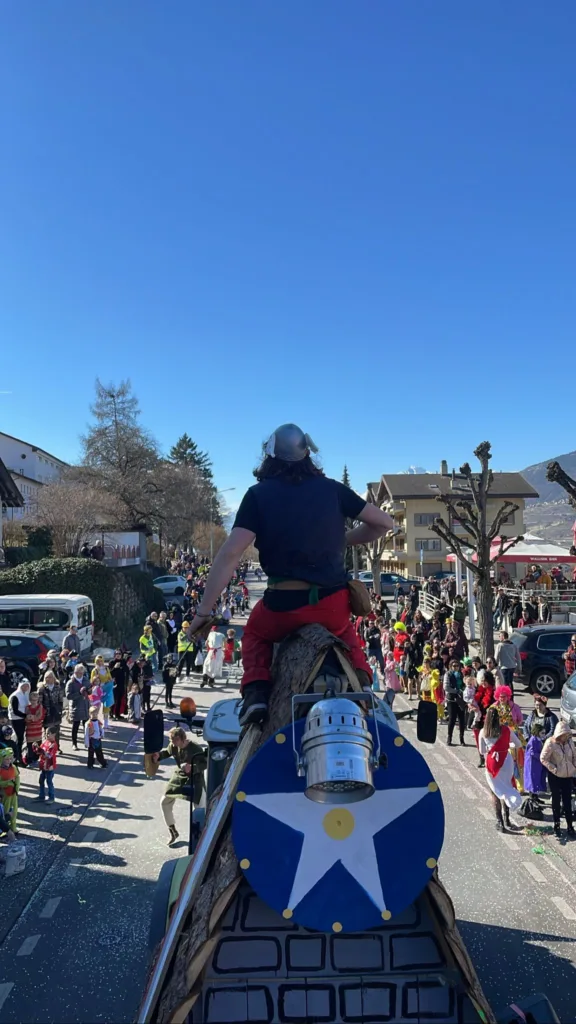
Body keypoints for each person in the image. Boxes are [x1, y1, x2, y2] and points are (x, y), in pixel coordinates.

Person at [185, 423, 393, 726]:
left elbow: (230, 553)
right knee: (347, 633)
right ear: (308, 454)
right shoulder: (334, 490)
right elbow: (383, 523)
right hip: (332, 606)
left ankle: (256, 693)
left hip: (283, 606)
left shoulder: (257, 496)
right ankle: (361, 684)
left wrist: (204, 611)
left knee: (255, 633)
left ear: (269, 457)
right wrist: (343, 539)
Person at [151, 726, 207, 847]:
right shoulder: (173, 746)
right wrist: (158, 756)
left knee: (200, 808)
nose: (173, 742)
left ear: (182, 739)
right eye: (171, 739)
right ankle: (173, 831)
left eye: (175, 740)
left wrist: (193, 768)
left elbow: (205, 763)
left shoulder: (195, 748)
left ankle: (199, 836)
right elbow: (167, 752)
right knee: (164, 802)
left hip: (195, 778)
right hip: (179, 777)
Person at [480, 705, 523, 832]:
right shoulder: (506, 729)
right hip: (506, 761)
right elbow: (518, 744)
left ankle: (499, 822)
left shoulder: (483, 732)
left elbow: (482, 751)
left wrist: (491, 748)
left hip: (492, 763)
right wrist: (506, 745)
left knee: (495, 791)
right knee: (507, 787)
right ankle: (507, 819)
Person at [540, 721, 576, 837]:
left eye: (567, 735)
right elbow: (543, 758)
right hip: (555, 776)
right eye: (563, 735)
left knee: (567, 801)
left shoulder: (569, 742)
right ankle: (557, 826)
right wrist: (554, 769)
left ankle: (570, 826)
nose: (565, 737)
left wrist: (573, 767)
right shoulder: (550, 743)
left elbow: (574, 755)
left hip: (567, 776)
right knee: (556, 801)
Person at [66, 665, 91, 749]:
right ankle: (74, 743)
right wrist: (79, 693)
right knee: (75, 726)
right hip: (76, 707)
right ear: (74, 672)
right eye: (77, 672)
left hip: (85, 706)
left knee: (86, 726)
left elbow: (90, 690)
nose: (79, 674)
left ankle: (87, 742)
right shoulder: (70, 682)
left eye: (81, 672)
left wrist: (88, 691)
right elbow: (68, 696)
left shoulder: (86, 680)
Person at [523, 723, 547, 803]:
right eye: (542, 733)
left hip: (536, 764)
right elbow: (531, 752)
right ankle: (532, 799)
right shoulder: (533, 740)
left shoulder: (538, 740)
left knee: (536, 780)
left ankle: (535, 797)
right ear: (537, 732)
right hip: (532, 764)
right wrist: (541, 756)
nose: (544, 734)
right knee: (532, 781)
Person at [444, 660, 466, 746]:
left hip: (461, 700)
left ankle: (462, 738)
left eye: (457, 665)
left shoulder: (461, 674)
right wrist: (456, 691)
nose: (455, 667)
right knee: (452, 719)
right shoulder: (448, 674)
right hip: (451, 700)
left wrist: (464, 690)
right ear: (450, 666)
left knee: (462, 720)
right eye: (454, 666)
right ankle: (449, 738)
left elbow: (465, 684)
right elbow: (446, 687)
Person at [8, 679, 30, 764]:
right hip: (16, 719)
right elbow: (15, 711)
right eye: (24, 685)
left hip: (22, 719)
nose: (25, 687)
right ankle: (17, 757)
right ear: (20, 686)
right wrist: (25, 716)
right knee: (19, 738)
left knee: (20, 738)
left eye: (27, 685)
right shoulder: (15, 696)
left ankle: (17, 756)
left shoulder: (25, 694)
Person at [0, 746, 20, 834]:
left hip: (13, 793)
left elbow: (17, 777)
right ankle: (5, 829)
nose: (9, 761)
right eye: (7, 759)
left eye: (10, 759)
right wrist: (7, 783)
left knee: (14, 811)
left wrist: (17, 787)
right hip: (5, 794)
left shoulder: (14, 767)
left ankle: (13, 826)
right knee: (5, 811)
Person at [37, 727, 58, 802]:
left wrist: (42, 751)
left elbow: (49, 755)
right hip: (43, 766)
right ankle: (41, 795)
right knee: (41, 781)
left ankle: (51, 797)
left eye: (49, 734)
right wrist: (36, 748)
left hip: (49, 767)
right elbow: (40, 750)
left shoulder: (53, 745)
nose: (47, 735)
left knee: (49, 782)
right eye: (46, 733)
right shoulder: (45, 742)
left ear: (54, 734)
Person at [24, 691, 45, 767]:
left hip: (38, 729)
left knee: (38, 745)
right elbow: (26, 717)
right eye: (32, 700)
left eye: (35, 700)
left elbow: (40, 716)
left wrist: (32, 717)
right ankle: (29, 760)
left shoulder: (40, 707)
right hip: (30, 729)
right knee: (30, 745)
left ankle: (36, 759)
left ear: (38, 700)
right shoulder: (27, 707)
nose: (34, 701)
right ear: (30, 700)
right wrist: (28, 718)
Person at [109, 652, 129, 719]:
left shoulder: (123, 662)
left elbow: (126, 671)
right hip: (114, 683)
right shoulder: (112, 662)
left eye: (120, 654)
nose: (118, 655)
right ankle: (111, 713)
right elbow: (110, 674)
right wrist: (115, 667)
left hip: (122, 683)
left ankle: (117, 714)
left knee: (120, 699)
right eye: (117, 654)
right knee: (114, 699)